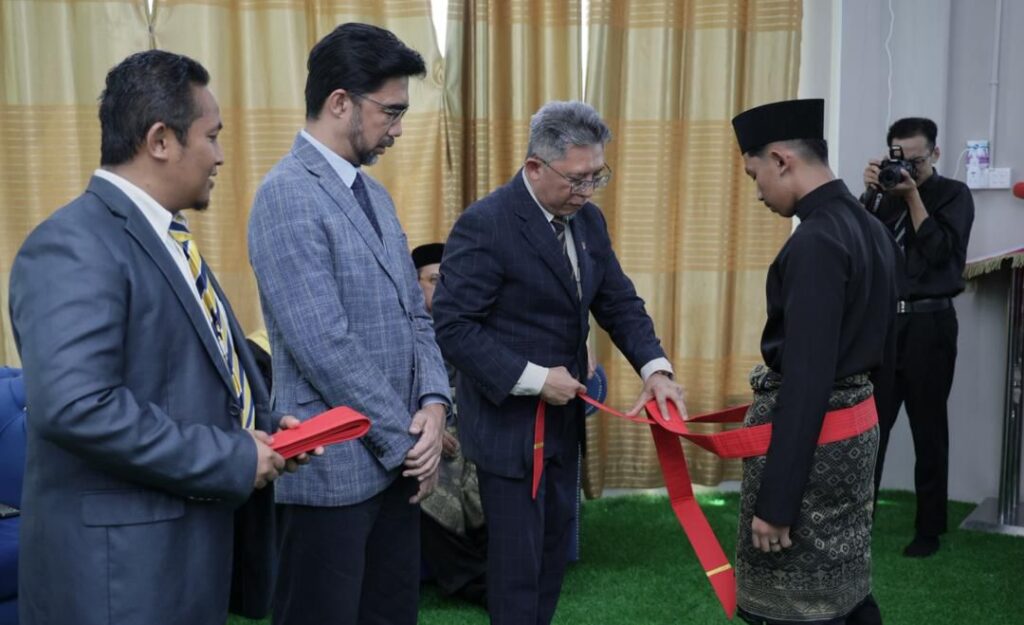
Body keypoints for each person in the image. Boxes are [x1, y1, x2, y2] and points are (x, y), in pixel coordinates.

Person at [8, 50, 313, 625]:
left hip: (177, 559)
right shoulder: (74, 244)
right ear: (160, 140)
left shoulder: (166, 238)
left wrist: (265, 433)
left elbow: (178, 381)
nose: (220, 156)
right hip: (120, 579)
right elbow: (78, 407)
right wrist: (231, 456)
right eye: (211, 136)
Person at [432, 101, 686, 625]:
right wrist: (533, 379)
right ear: (534, 167)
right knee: (516, 571)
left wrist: (655, 369)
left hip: (563, 428)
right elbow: (453, 327)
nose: (588, 190)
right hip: (509, 431)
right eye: (577, 179)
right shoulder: (487, 223)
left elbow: (618, 301)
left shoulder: (587, 220)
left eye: (597, 176)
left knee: (551, 561)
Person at [247, 23, 451, 625]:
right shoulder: (286, 194)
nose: (398, 129)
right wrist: (408, 442)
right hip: (332, 470)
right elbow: (323, 344)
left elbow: (417, 315)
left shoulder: (375, 195)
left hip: (395, 463)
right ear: (340, 102)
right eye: (391, 111)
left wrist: (435, 405)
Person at [729, 99, 899, 625]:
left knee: (792, 607)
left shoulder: (816, 241)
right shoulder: (869, 227)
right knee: (847, 589)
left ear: (781, 160)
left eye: (755, 175)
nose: (758, 192)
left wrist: (776, 505)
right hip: (854, 435)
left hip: (813, 447)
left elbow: (805, 378)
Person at [861, 117, 974, 558]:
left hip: (931, 324)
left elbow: (941, 252)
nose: (907, 168)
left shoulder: (954, 195)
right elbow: (857, 245)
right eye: (899, 159)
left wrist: (912, 199)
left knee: (929, 429)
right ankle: (857, 522)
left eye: (916, 159)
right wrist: (870, 194)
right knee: (871, 429)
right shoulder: (882, 196)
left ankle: (929, 528)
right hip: (886, 326)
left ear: (935, 154)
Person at [413, 242, 489, 606]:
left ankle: (501, 571)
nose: (444, 288)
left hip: (475, 430)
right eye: (434, 280)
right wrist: (431, 427)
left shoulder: (472, 326)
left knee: (493, 471)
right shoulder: (398, 330)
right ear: (414, 286)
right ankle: (474, 582)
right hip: (421, 432)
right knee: (423, 476)